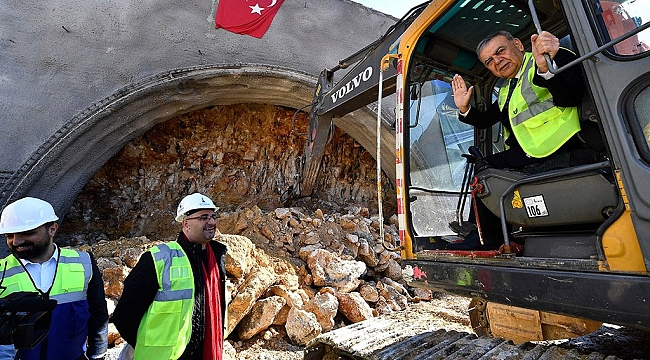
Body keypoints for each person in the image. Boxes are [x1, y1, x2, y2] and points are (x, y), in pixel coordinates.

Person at [449, 30, 594, 250]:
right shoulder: (507, 89)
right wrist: (464, 108)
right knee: (487, 167)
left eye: (500, 51)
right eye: (489, 61)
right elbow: (487, 119)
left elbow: (570, 95)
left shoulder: (548, 57)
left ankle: (487, 239)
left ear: (517, 44)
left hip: (559, 143)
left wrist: (546, 68)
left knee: (484, 175)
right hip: (531, 149)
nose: (497, 61)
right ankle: (484, 232)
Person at [113, 193, 228, 360]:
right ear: (186, 223)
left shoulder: (217, 257)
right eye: (204, 217)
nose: (212, 222)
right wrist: (149, 347)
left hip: (205, 353)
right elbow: (125, 315)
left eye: (212, 216)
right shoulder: (159, 258)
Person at [0, 197, 108, 360]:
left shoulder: (83, 263)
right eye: (9, 235)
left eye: (27, 233)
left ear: (52, 229)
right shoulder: (1, 271)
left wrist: (97, 355)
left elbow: (98, 314)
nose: (16, 241)